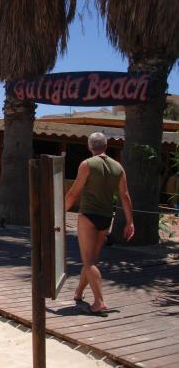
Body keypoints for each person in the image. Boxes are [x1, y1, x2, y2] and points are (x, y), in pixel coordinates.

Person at [65, 132, 134, 315]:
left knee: (88, 262)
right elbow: (124, 196)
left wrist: (59, 212)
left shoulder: (87, 164)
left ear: (90, 147)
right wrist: (130, 222)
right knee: (92, 261)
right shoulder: (118, 167)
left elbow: (74, 192)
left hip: (88, 215)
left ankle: (99, 302)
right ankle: (79, 293)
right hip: (105, 218)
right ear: (106, 146)